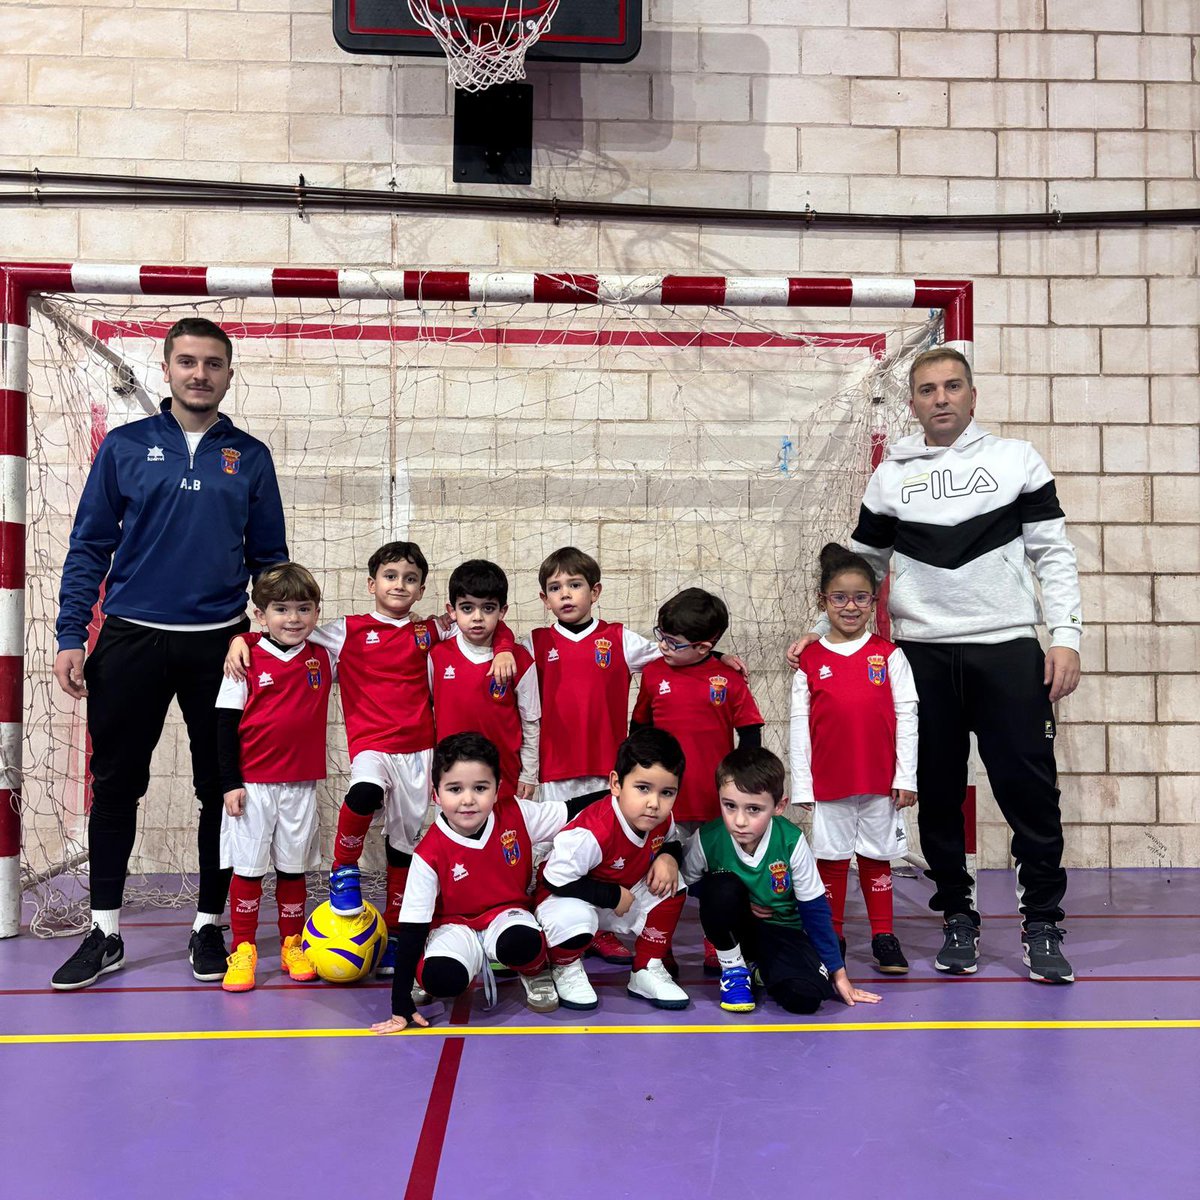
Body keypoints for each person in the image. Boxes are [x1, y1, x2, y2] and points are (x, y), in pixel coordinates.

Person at [788, 347, 1082, 984]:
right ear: (913, 402)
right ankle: (958, 915)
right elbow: (860, 566)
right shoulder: (891, 476)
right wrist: (816, 634)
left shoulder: (1016, 461)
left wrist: (1066, 636)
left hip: (1007, 649)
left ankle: (1043, 922)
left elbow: (1053, 554)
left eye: (952, 387)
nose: (941, 398)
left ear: (972, 396)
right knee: (938, 794)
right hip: (919, 655)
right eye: (927, 389)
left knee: (1029, 793)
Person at [51, 317, 287, 991]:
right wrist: (73, 634)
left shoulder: (251, 457)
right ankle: (105, 931)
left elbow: (271, 563)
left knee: (223, 791)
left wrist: (264, 638)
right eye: (187, 361)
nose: (199, 373)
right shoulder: (126, 448)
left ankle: (209, 923)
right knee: (116, 786)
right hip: (129, 638)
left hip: (222, 645)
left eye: (213, 363)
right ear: (167, 368)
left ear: (228, 374)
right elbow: (89, 547)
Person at [226, 542, 516, 975]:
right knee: (362, 794)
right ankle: (345, 869)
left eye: (410, 579)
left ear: (420, 591)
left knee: (404, 848)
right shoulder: (347, 630)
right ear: (372, 583)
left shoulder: (428, 631)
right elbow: (285, 633)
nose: (400, 584)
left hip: (421, 752)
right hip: (372, 746)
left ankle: (398, 935)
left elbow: (482, 627)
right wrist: (241, 638)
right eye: (390, 576)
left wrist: (507, 644)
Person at [524, 547, 744, 967]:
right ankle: (551, 925)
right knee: (558, 853)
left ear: (596, 591)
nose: (566, 594)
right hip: (556, 768)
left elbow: (674, 652)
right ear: (543, 598)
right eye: (555, 588)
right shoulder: (536, 643)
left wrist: (714, 655)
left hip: (609, 772)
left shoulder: (620, 639)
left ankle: (604, 929)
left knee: (609, 853)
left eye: (575, 585)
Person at [371, 732, 597, 1033]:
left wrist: (620, 796)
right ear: (436, 794)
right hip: (453, 925)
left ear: (497, 789)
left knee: (522, 943)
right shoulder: (428, 853)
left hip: (507, 916)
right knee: (442, 978)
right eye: (455, 789)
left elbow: (571, 811)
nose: (468, 799)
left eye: (480, 787)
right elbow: (413, 927)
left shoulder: (516, 813)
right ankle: (453, 961)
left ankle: (534, 971)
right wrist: (400, 1006)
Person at [789, 543, 918, 975]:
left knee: (878, 856)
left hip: (880, 779)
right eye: (839, 597)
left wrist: (907, 776)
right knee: (831, 858)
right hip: (829, 781)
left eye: (861, 597)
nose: (850, 606)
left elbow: (907, 717)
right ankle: (834, 937)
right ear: (822, 601)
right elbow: (798, 726)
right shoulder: (809, 659)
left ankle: (883, 935)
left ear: (874, 601)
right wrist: (803, 784)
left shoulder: (890, 656)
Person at [682, 746, 882, 1014]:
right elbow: (688, 884)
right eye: (730, 806)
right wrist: (741, 902)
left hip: (784, 931)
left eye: (754, 809)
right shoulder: (708, 839)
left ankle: (762, 970)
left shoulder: (791, 841)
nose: (739, 820)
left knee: (805, 998)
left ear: (779, 806)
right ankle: (734, 969)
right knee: (720, 888)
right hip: (740, 931)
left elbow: (816, 911)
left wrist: (839, 974)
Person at [631, 587, 764, 972]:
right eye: (661, 635)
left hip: (711, 803)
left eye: (674, 642)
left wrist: (744, 785)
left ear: (705, 647)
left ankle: (716, 942)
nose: (664, 646)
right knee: (658, 875)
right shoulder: (654, 674)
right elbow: (639, 728)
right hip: (665, 805)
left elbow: (750, 730)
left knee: (714, 877)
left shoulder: (728, 679)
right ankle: (657, 946)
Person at [215, 563, 334, 992]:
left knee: (293, 866)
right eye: (281, 609)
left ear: (317, 613)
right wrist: (230, 782)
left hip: (301, 783)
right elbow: (224, 727)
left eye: (304, 608)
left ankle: (292, 943)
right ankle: (243, 948)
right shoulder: (243, 660)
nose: (294, 618)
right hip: (253, 784)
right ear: (261, 614)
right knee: (248, 868)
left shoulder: (323, 654)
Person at [534, 728, 690, 1012]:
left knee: (672, 882)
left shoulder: (659, 819)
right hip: (562, 898)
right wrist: (610, 895)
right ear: (616, 784)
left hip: (616, 896)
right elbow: (553, 879)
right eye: (643, 788)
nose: (654, 803)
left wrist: (669, 857)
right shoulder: (593, 832)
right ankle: (564, 966)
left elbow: (672, 840)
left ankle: (646, 968)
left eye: (666, 792)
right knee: (574, 916)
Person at [428, 560, 540, 801]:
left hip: (505, 778)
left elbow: (530, 721)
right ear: (452, 610)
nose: (477, 617)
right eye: (467, 608)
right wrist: (428, 772)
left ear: (503, 611)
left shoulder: (520, 659)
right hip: (452, 779)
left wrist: (529, 774)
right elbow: (426, 717)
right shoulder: (437, 656)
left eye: (488, 608)